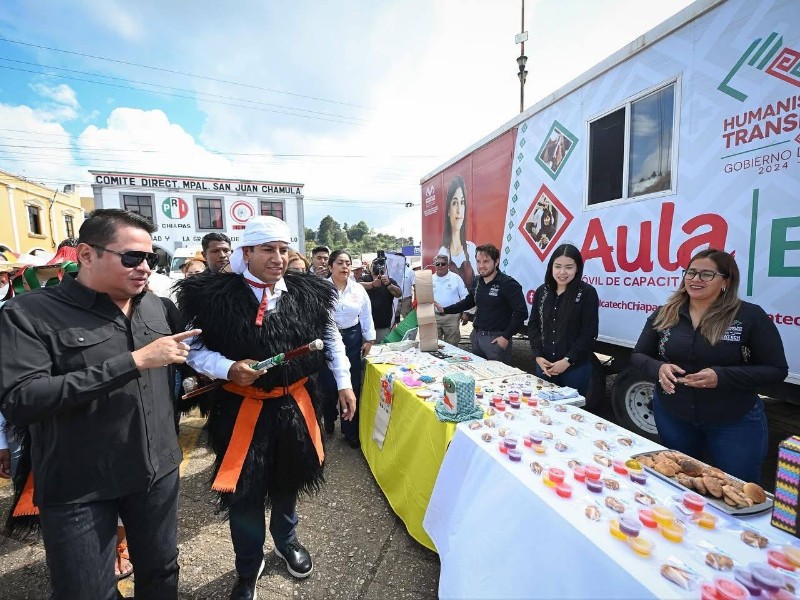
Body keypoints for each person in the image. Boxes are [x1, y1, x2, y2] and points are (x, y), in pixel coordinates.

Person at [0, 208, 197, 599]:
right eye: (132, 257)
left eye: (151, 258)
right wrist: (134, 362)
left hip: (155, 473)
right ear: (86, 255)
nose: (144, 267)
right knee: (86, 589)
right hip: (79, 484)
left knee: (161, 573)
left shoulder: (155, 307)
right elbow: (22, 399)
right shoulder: (29, 313)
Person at [177, 216, 356, 600]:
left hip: (294, 404)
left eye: (282, 249)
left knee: (289, 479)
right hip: (240, 410)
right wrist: (227, 368)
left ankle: (285, 541)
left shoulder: (309, 292)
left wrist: (344, 382)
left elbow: (330, 337)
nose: (278, 258)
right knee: (244, 492)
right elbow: (193, 349)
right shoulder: (213, 297)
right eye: (268, 250)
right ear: (246, 254)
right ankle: (247, 564)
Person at [631, 249, 788, 482]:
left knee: (736, 487)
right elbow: (639, 355)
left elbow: (777, 370)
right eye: (691, 272)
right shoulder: (665, 314)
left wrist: (722, 376)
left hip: (733, 421)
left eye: (706, 274)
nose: (695, 279)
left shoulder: (749, 316)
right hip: (674, 415)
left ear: (726, 280)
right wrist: (658, 368)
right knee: (678, 482)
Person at [436, 244, 526, 364]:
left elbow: (521, 313)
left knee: (497, 378)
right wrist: (445, 310)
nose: (481, 266)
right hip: (477, 337)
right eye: (478, 261)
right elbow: (469, 301)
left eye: (486, 261)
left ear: (496, 262)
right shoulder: (478, 281)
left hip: (496, 340)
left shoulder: (508, 284)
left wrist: (506, 337)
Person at [528, 244, 599, 396]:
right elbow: (533, 325)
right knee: (543, 411)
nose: (562, 272)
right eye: (558, 266)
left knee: (571, 413)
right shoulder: (542, 291)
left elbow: (589, 333)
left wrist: (567, 361)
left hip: (574, 369)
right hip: (545, 366)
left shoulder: (587, 293)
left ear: (577, 268)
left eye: (569, 267)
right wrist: (538, 356)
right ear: (551, 267)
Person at [320, 250, 375, 447]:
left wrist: (369, 339)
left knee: (351, 383)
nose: (345, 267)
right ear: (330, 267)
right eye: (340, 263)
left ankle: (350, 430)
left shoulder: (358, 289)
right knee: (328, 385)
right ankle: (329, 415)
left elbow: (366, 315)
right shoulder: (322, 289)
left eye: (348, 263)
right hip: (327, 339)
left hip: (352, 338)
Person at [439, 175, 476, 291]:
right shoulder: (443, 251)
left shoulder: (471, 248)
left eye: (462, 202)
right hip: (453, 307)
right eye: (455, 203)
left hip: (471, 307)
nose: (459, 209)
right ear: (448, 210)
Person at [361, 259, 402, 343]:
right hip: (365, 326)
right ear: (370, 267)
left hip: (382, 326)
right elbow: (356, 286)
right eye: (375, 265)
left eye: (381, 266)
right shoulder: (365, 278)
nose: (377, 268)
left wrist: (389, 284)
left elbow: (399, 294)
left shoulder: (389, 280)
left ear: (385, 269)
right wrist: (372, 284)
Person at [431, 254, 468, 346]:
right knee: (434, 345)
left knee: (452, 345)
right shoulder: (430, 279)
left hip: (452, 317)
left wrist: (465, 312)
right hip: (434, 317)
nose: (440, 266)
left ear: (448, 265)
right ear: (434, 265)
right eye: (437, 263)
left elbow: (465, 296)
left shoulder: (456, 278)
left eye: (443, 264)